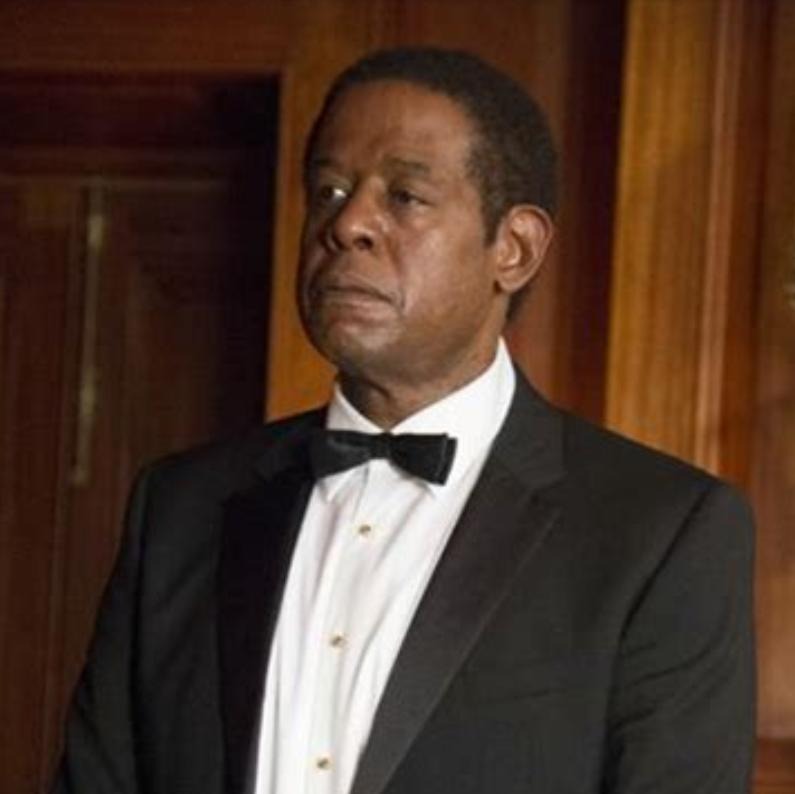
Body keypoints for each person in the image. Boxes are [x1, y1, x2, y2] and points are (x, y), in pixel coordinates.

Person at [54, 48, 755, 794]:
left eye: (405, 196)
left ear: (513, 249)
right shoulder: (179, 507)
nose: (347, 223)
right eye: (328, 190)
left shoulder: (659, 533)